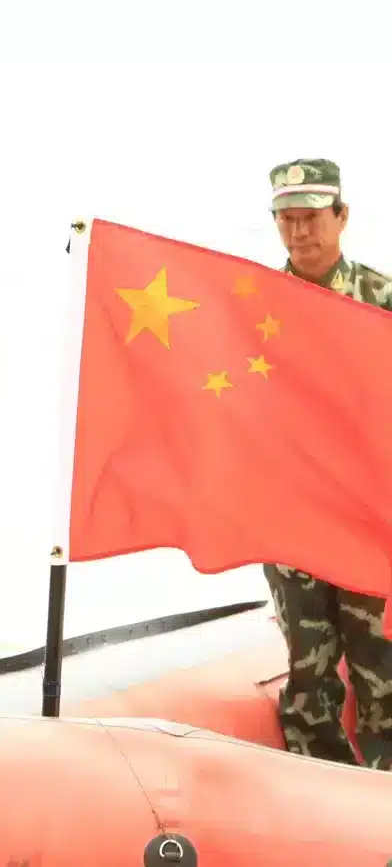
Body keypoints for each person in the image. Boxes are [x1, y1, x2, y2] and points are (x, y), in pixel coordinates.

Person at [262, 158, 392, 770]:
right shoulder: (253, 304)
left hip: (369, 513)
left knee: (379, 662)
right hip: (292, 516)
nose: (299, 232)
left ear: (341, 217)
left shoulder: (381, 300)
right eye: (286, 219)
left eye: (311, 217)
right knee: (308, 666)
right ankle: (318, 784)